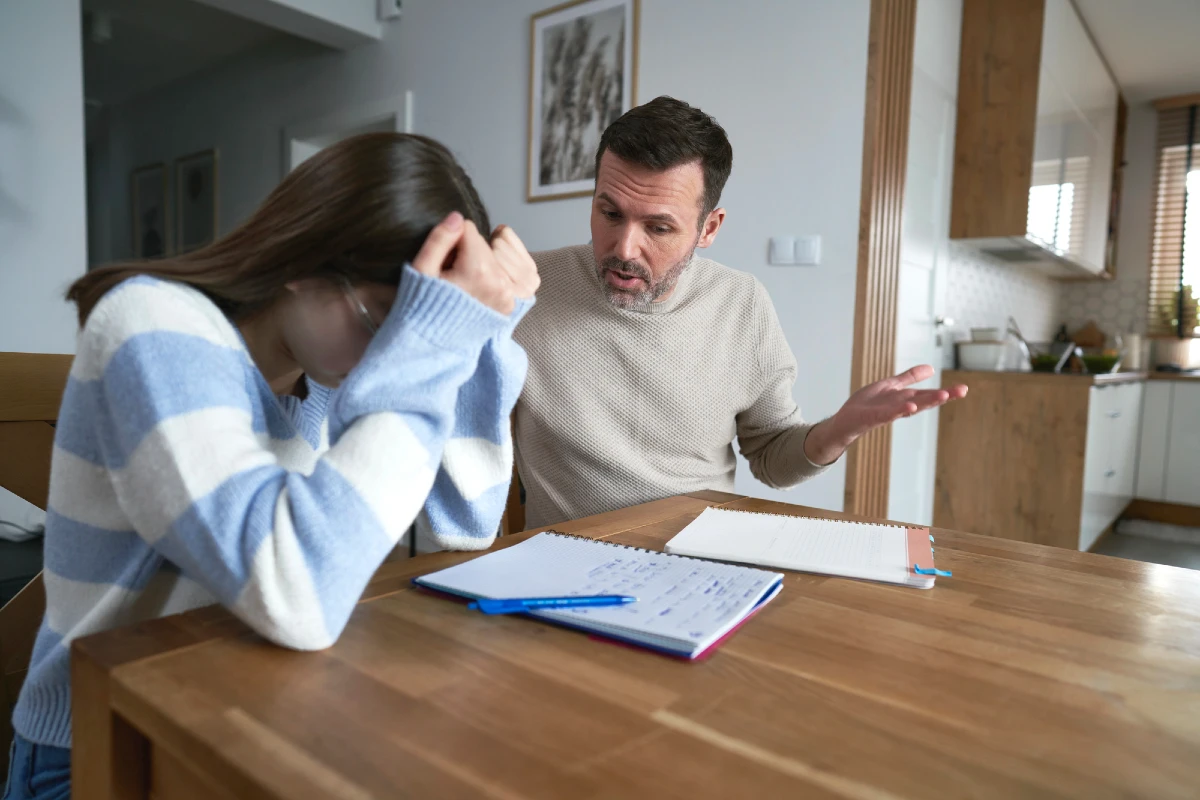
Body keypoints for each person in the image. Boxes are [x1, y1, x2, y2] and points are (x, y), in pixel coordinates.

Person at [4, 133, 538, 799]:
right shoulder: (153, 326)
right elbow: (297, 594)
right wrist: (427, 348)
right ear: (304, 260)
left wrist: (481, 342)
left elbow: (456, 533)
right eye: (381, 323)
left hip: (262, 712)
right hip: (102, 746)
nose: (388, 362)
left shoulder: (330, 384)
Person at [513, 96, 965, 529]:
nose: (624, 248)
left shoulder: (741, 303)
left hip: (695, 559)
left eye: (659, 227)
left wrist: (840, 429)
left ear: (708, 228)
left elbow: (771, 456)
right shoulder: (523, 285)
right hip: (560, 560)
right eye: (610, 213)